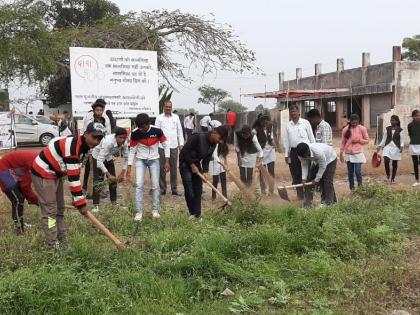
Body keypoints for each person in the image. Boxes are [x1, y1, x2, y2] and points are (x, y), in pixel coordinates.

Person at [31, 122, 106, 249]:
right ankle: (53, 244)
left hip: (55, 174)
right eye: (94, 137)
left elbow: (75, 171)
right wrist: (81, 203)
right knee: (50, 211)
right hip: (43, 172)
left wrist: (76, 199)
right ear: (86, 134)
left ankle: (61, 239)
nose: (97, 141)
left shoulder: (84, 147)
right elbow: (73, 178)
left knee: (60, 208)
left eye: (100, 138)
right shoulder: (73, 147)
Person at [126, 113, 170, 222]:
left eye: (142, 127)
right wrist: (129, 166)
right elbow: (132, 150)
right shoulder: (135, 133)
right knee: (139, 185)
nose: (141, 129)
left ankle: (155, 210)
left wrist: (167, 161)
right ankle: (138, 212)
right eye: (139, 127)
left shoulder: (157, 131)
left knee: (155, 185)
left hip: (154, 160)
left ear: (148, 124)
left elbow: (165, 144)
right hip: (141, 160)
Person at [179, 125, 228, 218]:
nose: (220, 141)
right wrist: (191, 165)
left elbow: (207, 158)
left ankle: (197, 214)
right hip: (185, 163)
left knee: (198, 190)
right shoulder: (197, 137)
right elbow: (184, 152)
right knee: (189, 189)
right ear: (215, 133)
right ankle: (192, 213)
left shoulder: (214, 144)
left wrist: (205, 171)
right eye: (220, 138)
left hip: (196, 163)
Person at [91, 128, 129, 212]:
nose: (122, 140)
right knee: (98, 181)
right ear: (116, 136)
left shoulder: (124, 143)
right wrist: (108, 175)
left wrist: (123, 172)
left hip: (108, 157)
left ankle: (114, 202)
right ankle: (95, 205)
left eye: (124, 138)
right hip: (97, 157)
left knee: (113, 181)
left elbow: (127, 158)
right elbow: (99, 161)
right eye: (120, 138)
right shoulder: (107, 142)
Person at [0, 150, 39, 234]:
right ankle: (19, 229)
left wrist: (32, 199)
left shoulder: (40, 159)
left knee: (18, 198)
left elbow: (24, 185)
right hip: (3, 168)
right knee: (18, 200)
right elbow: (25, 185)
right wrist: (35, 200)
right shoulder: (36, 163)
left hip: (13, 169)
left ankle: (18, 224)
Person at [283, 105, 315, 199]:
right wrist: (286, 154)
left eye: (294, 111)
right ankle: (300, 196)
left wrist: (313, 151)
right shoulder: (288, 125)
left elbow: (311, 137)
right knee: (295, 175)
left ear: (299, 112)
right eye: (291, 112)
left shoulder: (305, 123)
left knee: (308, 174)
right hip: (293, 152)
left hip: (306, 151)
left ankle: (308, 196)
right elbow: (286, 141)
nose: (293, 113)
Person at [82, 99, 111, 195]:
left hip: (102, 147)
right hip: (91, 147)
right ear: (94, 109)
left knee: (100, 170)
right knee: (91, 170)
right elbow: (85, 131)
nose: (99, 111)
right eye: (97, 109)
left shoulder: (105, 118)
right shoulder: (89, 117)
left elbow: (108, 133)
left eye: (101, 109)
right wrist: (87, 147)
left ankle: (99, 190)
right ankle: (89, 191)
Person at [155, 100, 184, 196]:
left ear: (171, 108)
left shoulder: (176, 117)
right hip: (161, 146)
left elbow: (180, 131)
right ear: (163, 107)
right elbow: (156, 132)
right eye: (166, 107)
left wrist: (181, 144)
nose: (168, 108)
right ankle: (162, 189)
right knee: (162, 168)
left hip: (174, 146)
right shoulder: (159, 118)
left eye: (169, 107)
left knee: (174, 168)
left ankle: (174, 189)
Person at [296, 142, 337, 207]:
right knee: (309, 179)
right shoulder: (300, 154)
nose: (305, 157)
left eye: (305, 155)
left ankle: (329, 204)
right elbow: (304, 165)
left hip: (330, 159)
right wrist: (304, 178)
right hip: (317, 161)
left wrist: (317, 179)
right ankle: (308, 204)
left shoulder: (318, 152)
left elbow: (322, 166)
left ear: (308, 150)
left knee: (327, 181)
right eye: (303, 156)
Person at [340, 114, 369, 191]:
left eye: (356, 123)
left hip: (358, 153)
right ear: (350, 121)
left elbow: (367, 140)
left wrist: (359, 140)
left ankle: (360, 187)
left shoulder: (362, 129)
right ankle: (352, 189)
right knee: (350, 173)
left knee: (357, 172)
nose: (354, 124)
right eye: (353, 123)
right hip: (348, 154)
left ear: (359, 122)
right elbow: (343, 142)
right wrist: (341, 153)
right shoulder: (345, 130)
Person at [253, 114, 277, 194]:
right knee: (262, 172)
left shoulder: (270, 126)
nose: (265, 122)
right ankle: (263, 189)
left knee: (271, 170)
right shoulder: (255, 130)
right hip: (261, 151)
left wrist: (273, 143)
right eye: (263, 121)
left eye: (267, 120)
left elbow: (271, 137)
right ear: (260, 121)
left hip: (270, 151)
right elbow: (255, 142)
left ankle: (271, 190)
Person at [376, 115, 404, 183]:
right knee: (386, 161)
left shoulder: (400, 130)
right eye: (391, 120)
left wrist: (401, 146)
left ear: (397, 121)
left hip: (396, 148)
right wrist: (379, 146)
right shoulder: (387, 129)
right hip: (387, 147)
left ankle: (393, 178)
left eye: (393, 120)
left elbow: (402, 140)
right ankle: (388, 174)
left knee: (394, 164)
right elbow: (384, 139)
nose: (391, 121)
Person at [408, 110, 420, 186]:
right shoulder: (410, 125)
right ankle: (417, 180)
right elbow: (410, 134)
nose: (418, 117)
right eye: (416, 115)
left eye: (419, 115)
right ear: (413, 117)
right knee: (415, 163)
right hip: (413, 145)